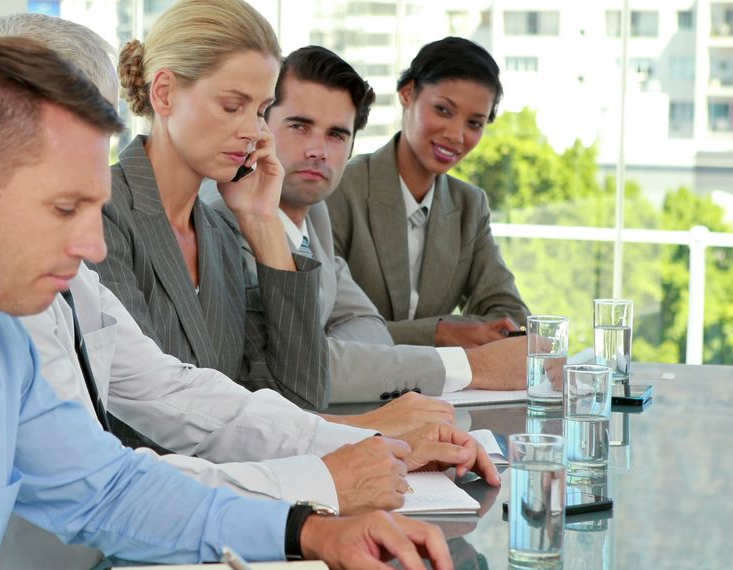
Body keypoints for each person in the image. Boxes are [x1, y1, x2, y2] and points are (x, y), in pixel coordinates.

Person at [0, 38, 453, 569]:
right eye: (65, 210)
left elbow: (108, 492)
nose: (94, 247)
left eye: (96, 209)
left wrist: (309, 532)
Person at [207, 45, 529, 402]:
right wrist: (467, 360)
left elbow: (369, 327)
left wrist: (335, 353)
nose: (318, 150)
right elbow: (288, 369)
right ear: (260, 123)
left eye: (337, 135)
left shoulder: (313, 214)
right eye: (299, 126)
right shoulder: (225, 217)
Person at [91, 0, 332, 412]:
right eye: (231, 106)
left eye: (260, 111)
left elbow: (300, 397)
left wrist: (262, 221)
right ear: (164, 93)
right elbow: (147, 411)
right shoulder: (101, 213)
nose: (253, 132)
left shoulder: (219, 234)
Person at [326, 37, 530, 349]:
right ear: (408, 93)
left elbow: (511, 317)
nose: (456, 135)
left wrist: (412, 333)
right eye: (444, 110)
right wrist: (439, 333)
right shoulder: (340, 189)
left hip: (440, 391)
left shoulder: (469, 206)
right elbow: (324, 326)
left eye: (474, 123)